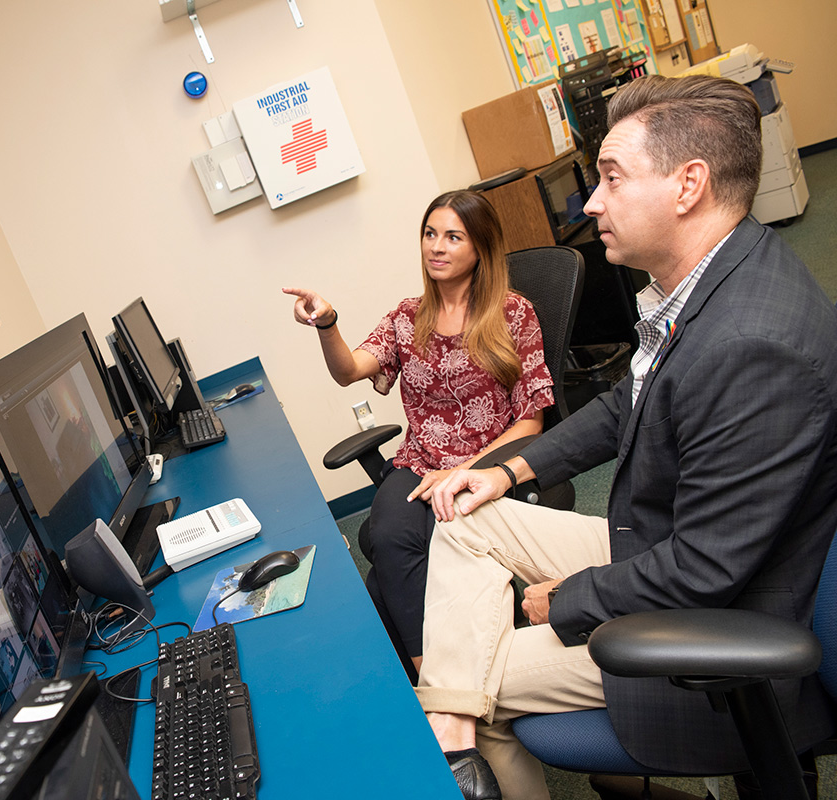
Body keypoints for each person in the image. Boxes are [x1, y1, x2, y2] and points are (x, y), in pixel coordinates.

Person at [416, 75, 837, 800]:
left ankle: (457, 727)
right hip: (665, 537)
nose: (592, 202)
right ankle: (453, 719)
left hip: (718, 617)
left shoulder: (751, 344)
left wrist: (575, 597)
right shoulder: (707, 282)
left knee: (469, 686)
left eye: (611, 178)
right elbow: (626, 404)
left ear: (688, 185)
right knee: (463, 520)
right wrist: (507, 470)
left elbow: (706, 570)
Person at [283, 190, 554, 681]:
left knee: (408, 566)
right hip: (419, 463)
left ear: (480, 248)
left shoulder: (513, 314)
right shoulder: (408, 317)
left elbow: (532, 419)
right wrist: (327, 323)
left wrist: (461, 471)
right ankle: (433, 680)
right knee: (388, 536)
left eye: (453, 236)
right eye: (430, 234)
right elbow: (350, 371)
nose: (437, 246)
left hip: (487, 467)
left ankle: (450, 679)